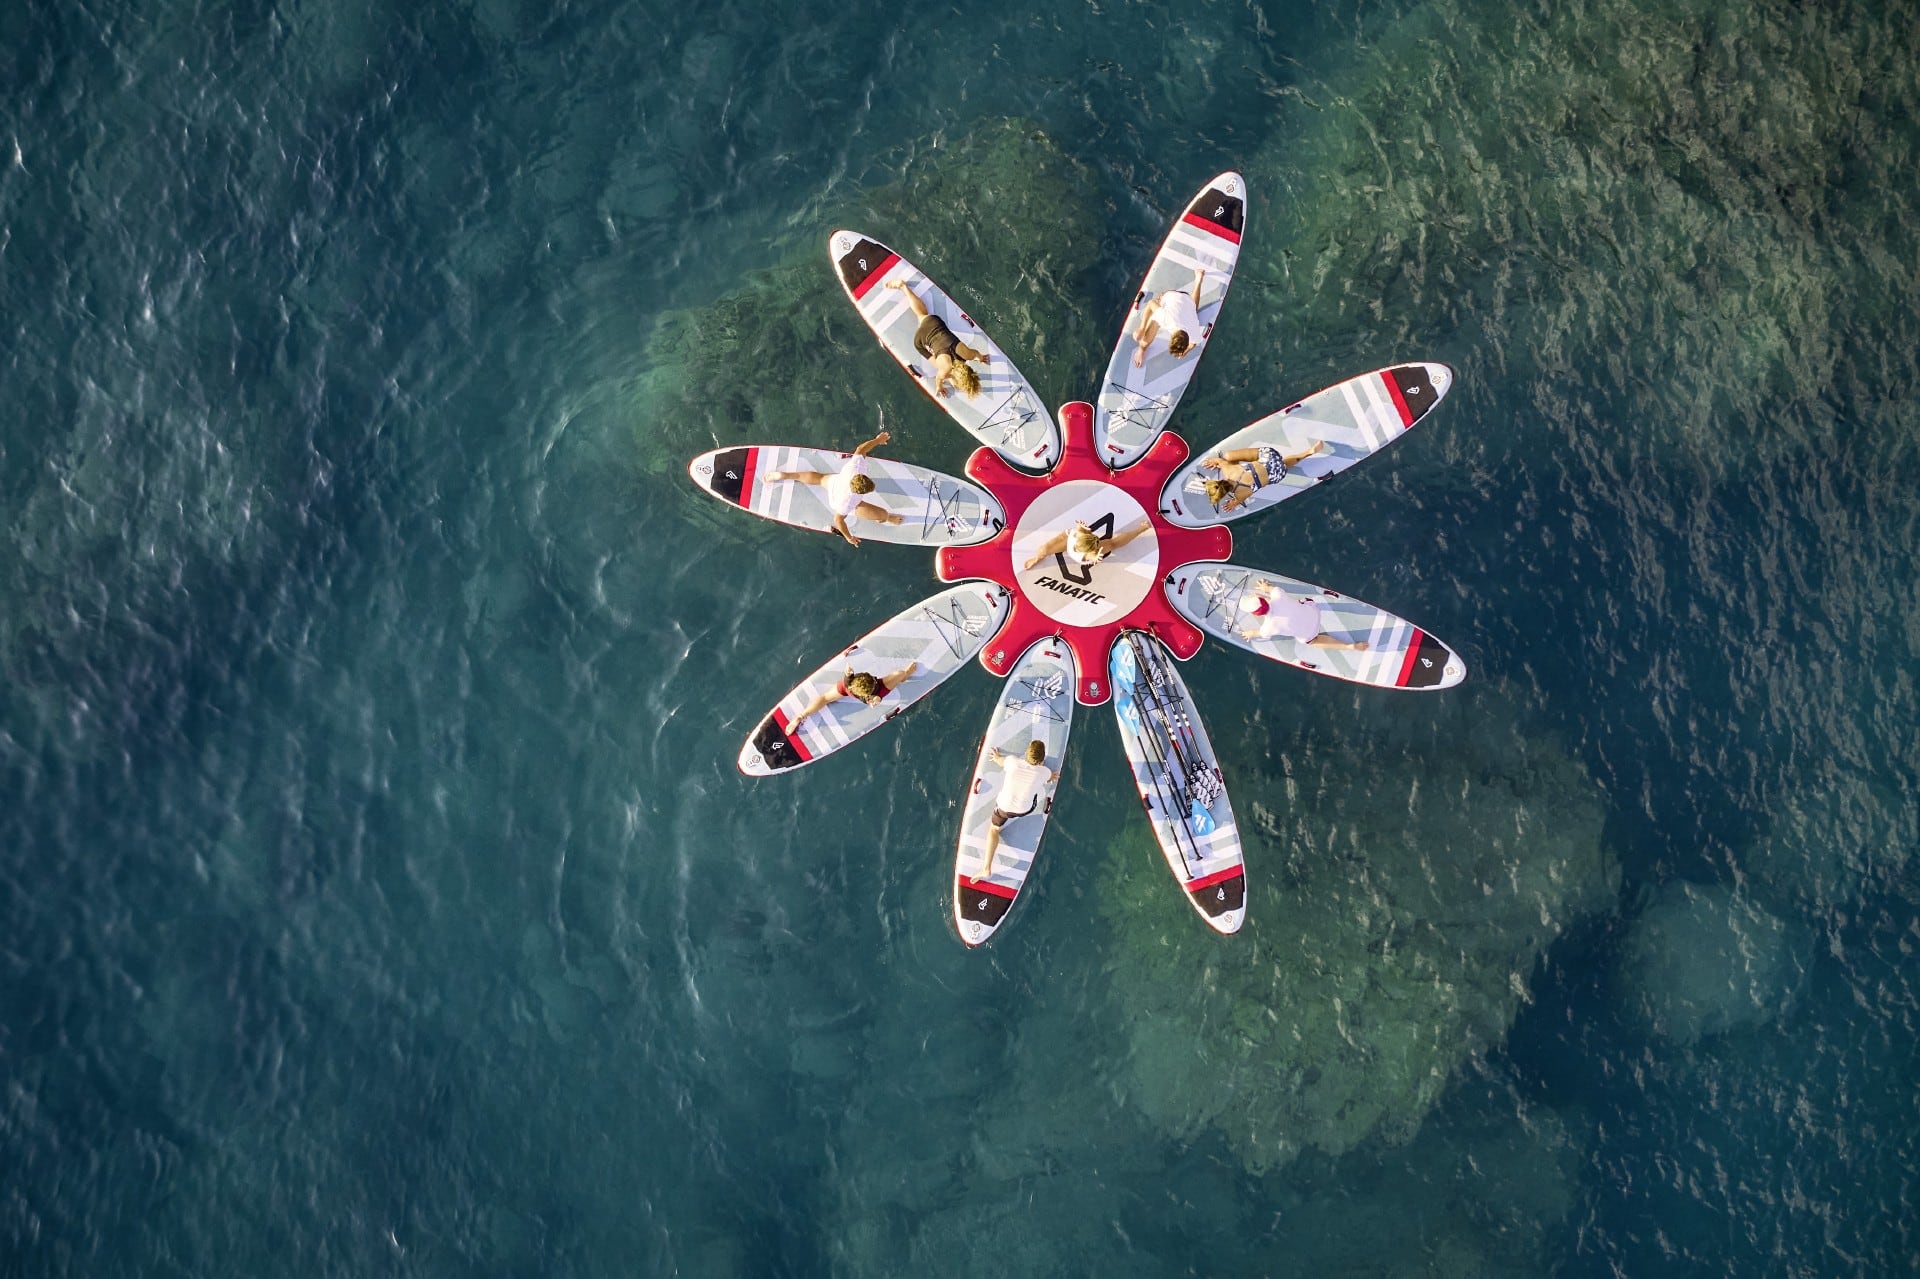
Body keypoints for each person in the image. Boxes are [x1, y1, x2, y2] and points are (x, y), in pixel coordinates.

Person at [764, 430, 904, 546]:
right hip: (837, 500)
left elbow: (861, 449)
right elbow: (838, 520)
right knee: (882, 514)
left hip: (835, 482)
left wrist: (877, 440)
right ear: (859, 492)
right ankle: (888, 518)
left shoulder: (855, 468)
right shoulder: (849, 502)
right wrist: (849, 538)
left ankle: (783, 475)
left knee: (819, 479)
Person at [885, 279, 990, 399]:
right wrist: (939, 387)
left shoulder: (967, 354)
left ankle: (904, 287)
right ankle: (902, 286)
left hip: (935, 322)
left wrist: (980, 358)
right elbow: (939, 378)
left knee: (922, 314)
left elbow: (976, 354)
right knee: (938, 363)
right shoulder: (947, 369)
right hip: (920, 340)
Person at [979, 739, 1057, 877]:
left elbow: (999, 761)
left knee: (994, 829)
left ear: (1026, 752)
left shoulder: (1012, 762)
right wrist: (1046, 773)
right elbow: (1051, 777)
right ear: (1041, 759)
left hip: (1003, 808)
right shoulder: (1043, 772)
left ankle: (986, 867)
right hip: (1024, 810)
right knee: (1034, 793)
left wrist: (996, 756)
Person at [787, 661, 919, 731]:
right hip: (872, 695)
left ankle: (801, 716)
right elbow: (876, 699)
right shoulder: (877, 693)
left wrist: (848, 671)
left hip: (847, 689)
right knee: (899, 674)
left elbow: (847, 673)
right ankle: (907, 674)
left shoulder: (848, 681)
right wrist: (905, 673)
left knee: (825, 698)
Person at [1200, 442, 1327, 512]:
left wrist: (1233, 504)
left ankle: (1307, 453)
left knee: (1279, 468)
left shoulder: (1240, 495)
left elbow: (1237, 501)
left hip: (1278, 474)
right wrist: (1214, 461)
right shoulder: (1228, 471)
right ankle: (1308, 451)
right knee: (1228, 457)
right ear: (1218, 481)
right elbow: (1219, 461)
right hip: (1270, 456)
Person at [1237, 583, 1367, 651]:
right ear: (1261, 599)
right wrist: (1265, 587)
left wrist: (1249, 633)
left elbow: (1257, 633)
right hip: (1315, 611)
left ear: (1256, 614)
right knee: (1299, 602)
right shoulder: (1277, 594)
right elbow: (1271, 589)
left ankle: (1347, 647)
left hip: (1310, 634)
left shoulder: (1268, 628)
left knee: (1312, 642)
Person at [1131, 267, 1206, 368]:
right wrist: (1142, 328)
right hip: (1169, 296)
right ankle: (1141, 350)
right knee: (1149, 334)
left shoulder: (1194, 334)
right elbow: (1151, 303)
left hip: (1186, 299)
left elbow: (1192, 345)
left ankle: (1198, 280)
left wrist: (1185, 352)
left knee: (1193, 310)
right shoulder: (1167, 319)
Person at [1021, 519, 1151, 572]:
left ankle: (1142, 529)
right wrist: (1080, 527)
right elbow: (1081, 531)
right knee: (1043, 549)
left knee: (1113, 544)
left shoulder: (1087, 553)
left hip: (1088, 547)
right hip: (1067, 539)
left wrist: (1095, 558)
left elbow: (1092, 556)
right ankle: (1038, 558)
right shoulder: (1079, 533)